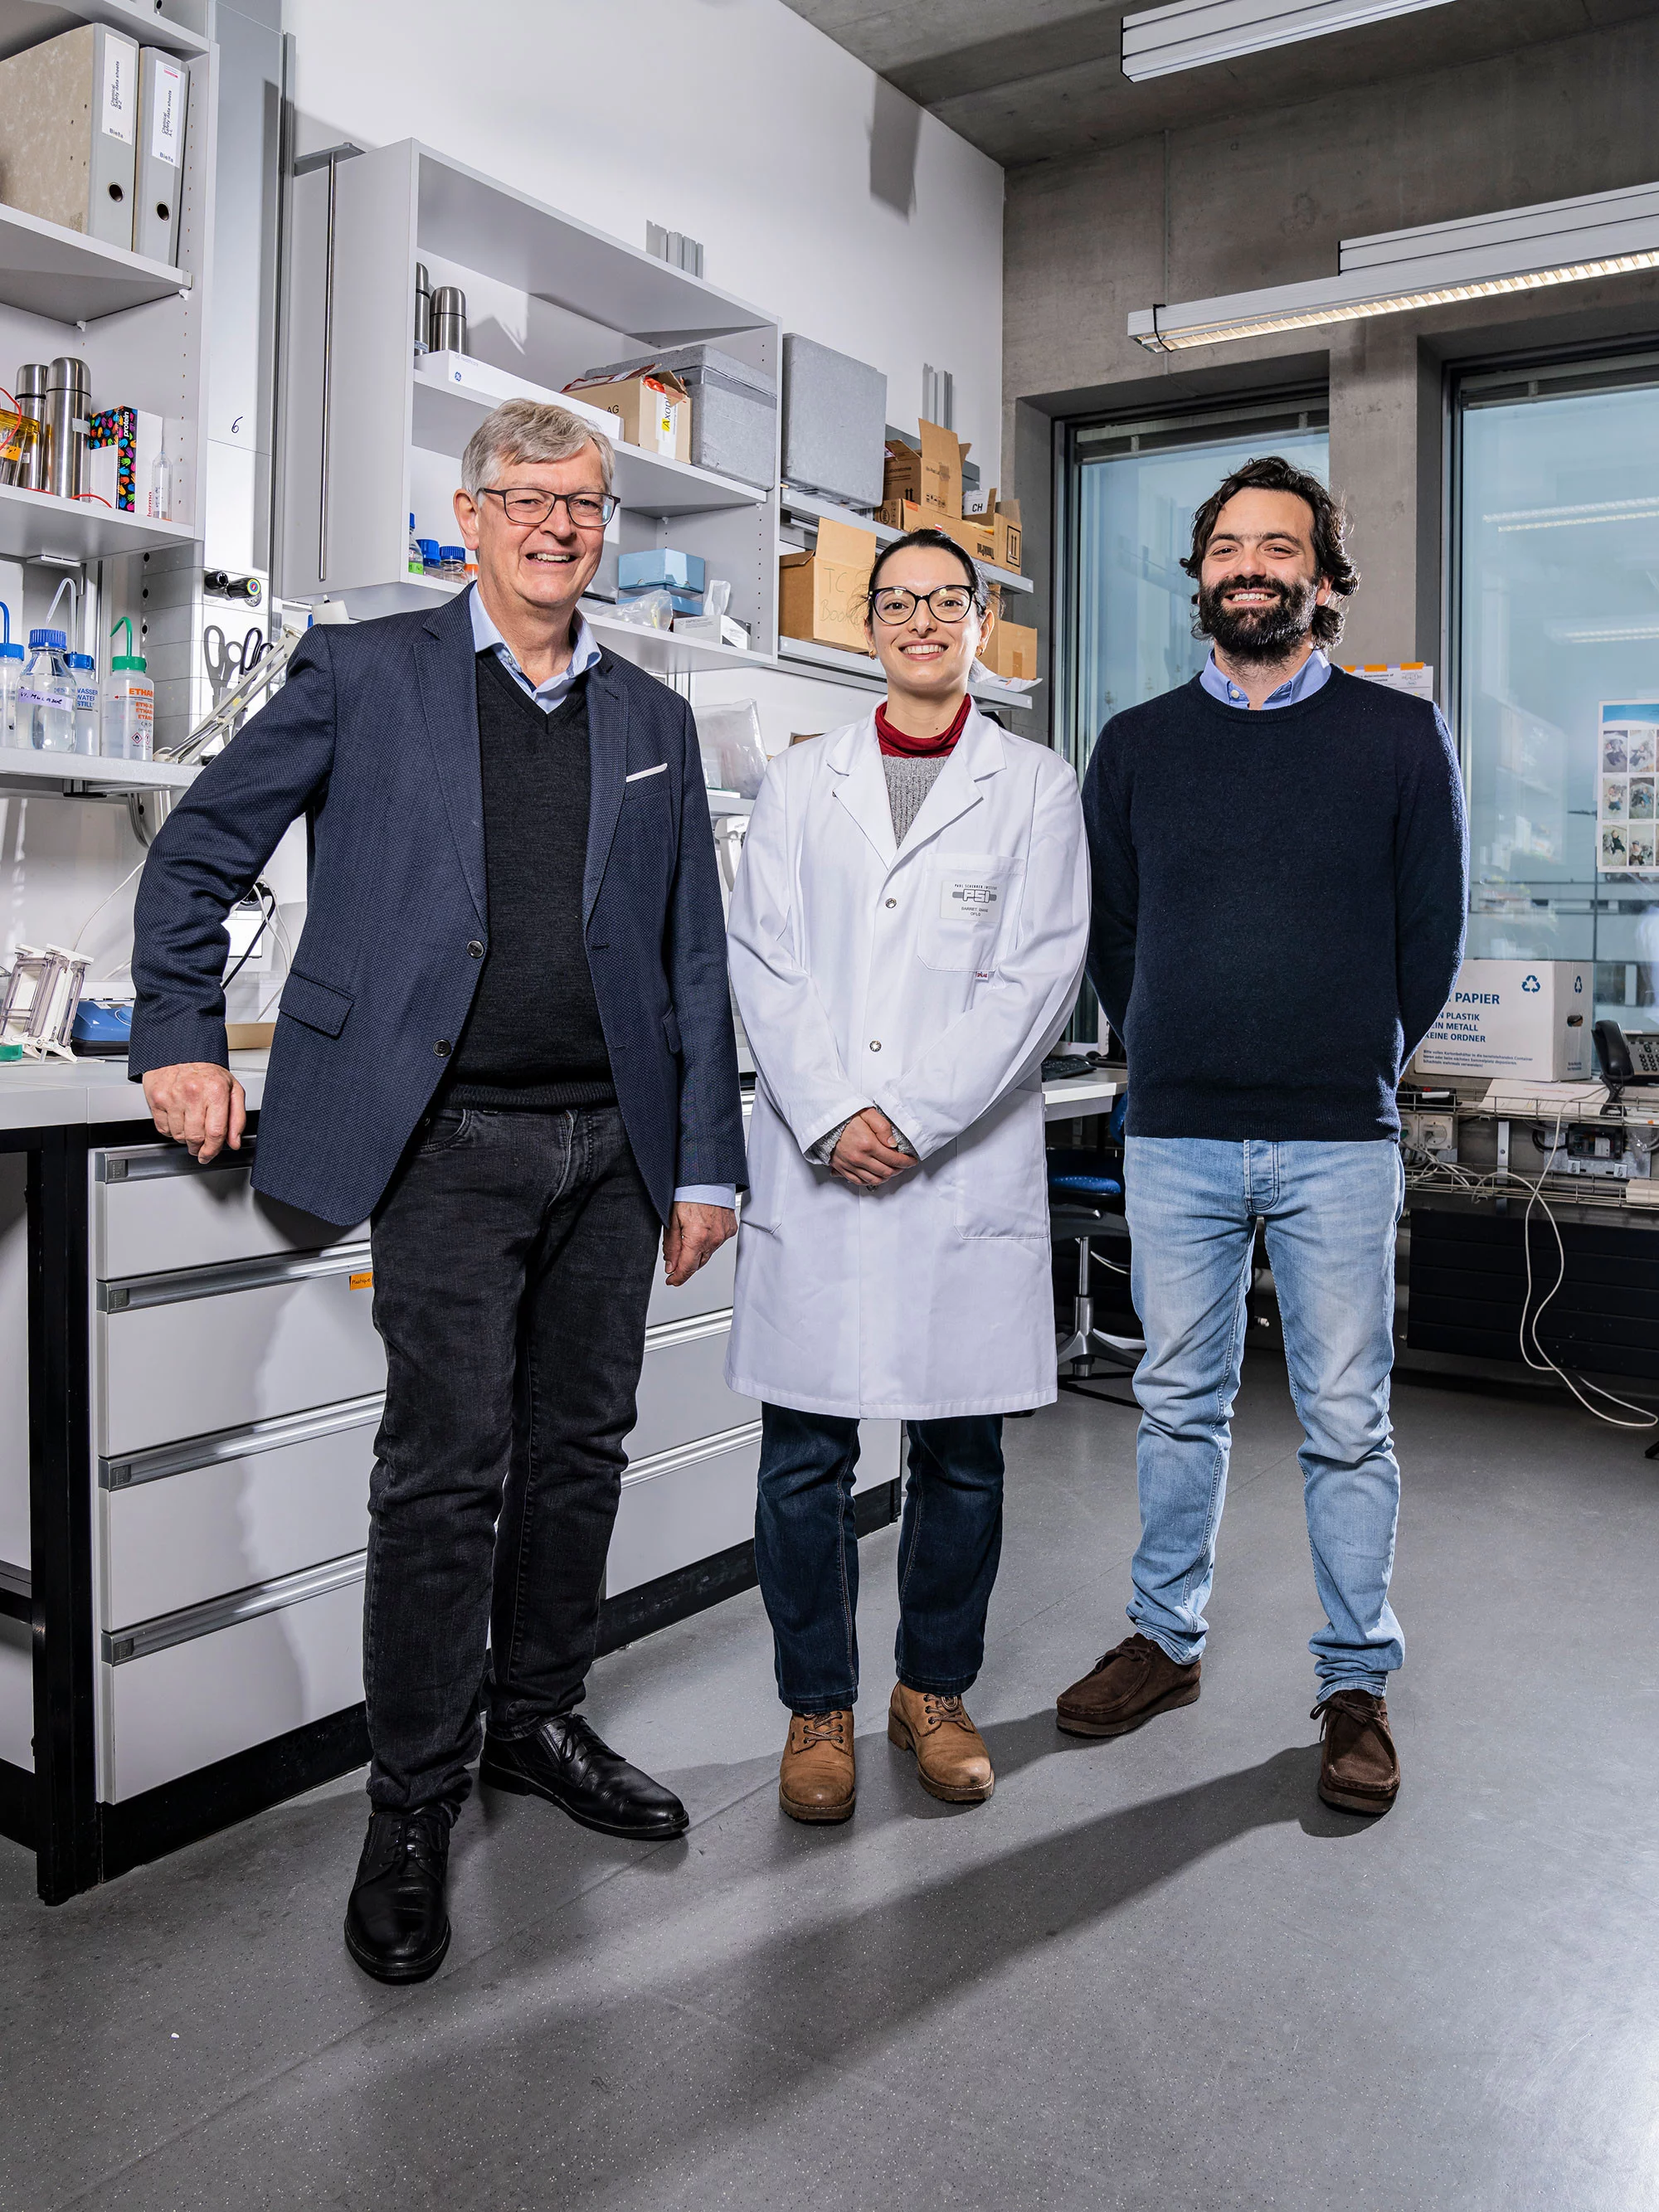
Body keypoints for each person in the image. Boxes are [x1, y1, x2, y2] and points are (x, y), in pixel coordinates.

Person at [129, 399, 746, 1981]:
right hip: (445, 1142)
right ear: (468, 517)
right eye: (527, 497)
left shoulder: (653, 713)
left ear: (607, 527)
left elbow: (689, 952)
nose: (557, 525)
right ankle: (410, 1801)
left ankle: (536, 1717)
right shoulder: (365, 671)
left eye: (584, 503)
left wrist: (706, 1159)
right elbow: (197, 853)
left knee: (580, 1453)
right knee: (444, 1472)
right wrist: (180, 1037)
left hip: (616, 1147)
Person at [1058, 454, 1467, 1816]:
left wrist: (1354, 1053)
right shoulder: (1136, 746)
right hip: (1177, 1129)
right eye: (1228, 546)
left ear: (1324, 579)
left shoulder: (1398, 737)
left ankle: (1355, 1682)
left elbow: (1431, 933)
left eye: (1279, 547)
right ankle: (1165, 1640)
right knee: (1178, 1401)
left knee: (1346, 1420)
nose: (1250, 566)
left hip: (1337, 1135)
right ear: (1201, 577)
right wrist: (1167, 1034)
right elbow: (1113, 930)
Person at [727, 527, 1089, 1822]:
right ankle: (817, 1706)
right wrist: (834, 1114)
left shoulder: (1035, 785)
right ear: (866, 622)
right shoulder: (800, 782)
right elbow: (762, 959)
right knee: (804, 1458)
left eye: (947, 599)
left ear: (981, 621)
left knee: (962, 1454)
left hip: (957, 1166)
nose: (922, 619)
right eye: (898, 600)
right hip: (821, 1162)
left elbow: (1038, 975)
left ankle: (932, 1690)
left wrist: (915, 1118)